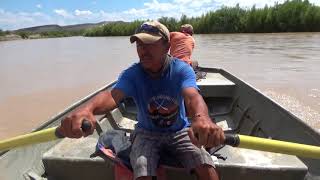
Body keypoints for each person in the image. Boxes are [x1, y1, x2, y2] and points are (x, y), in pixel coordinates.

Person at [58, 21, 225, 180]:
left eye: (150, 43)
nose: (143, 50)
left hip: (180, 131)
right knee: (141, 167)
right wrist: (88, 109)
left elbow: (193, 97)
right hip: (146, 134)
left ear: (167, 46)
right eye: (139, 45)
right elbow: (111, 96)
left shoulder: (181, 69)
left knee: (206, 165)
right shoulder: (132, 74)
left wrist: (201, 118)